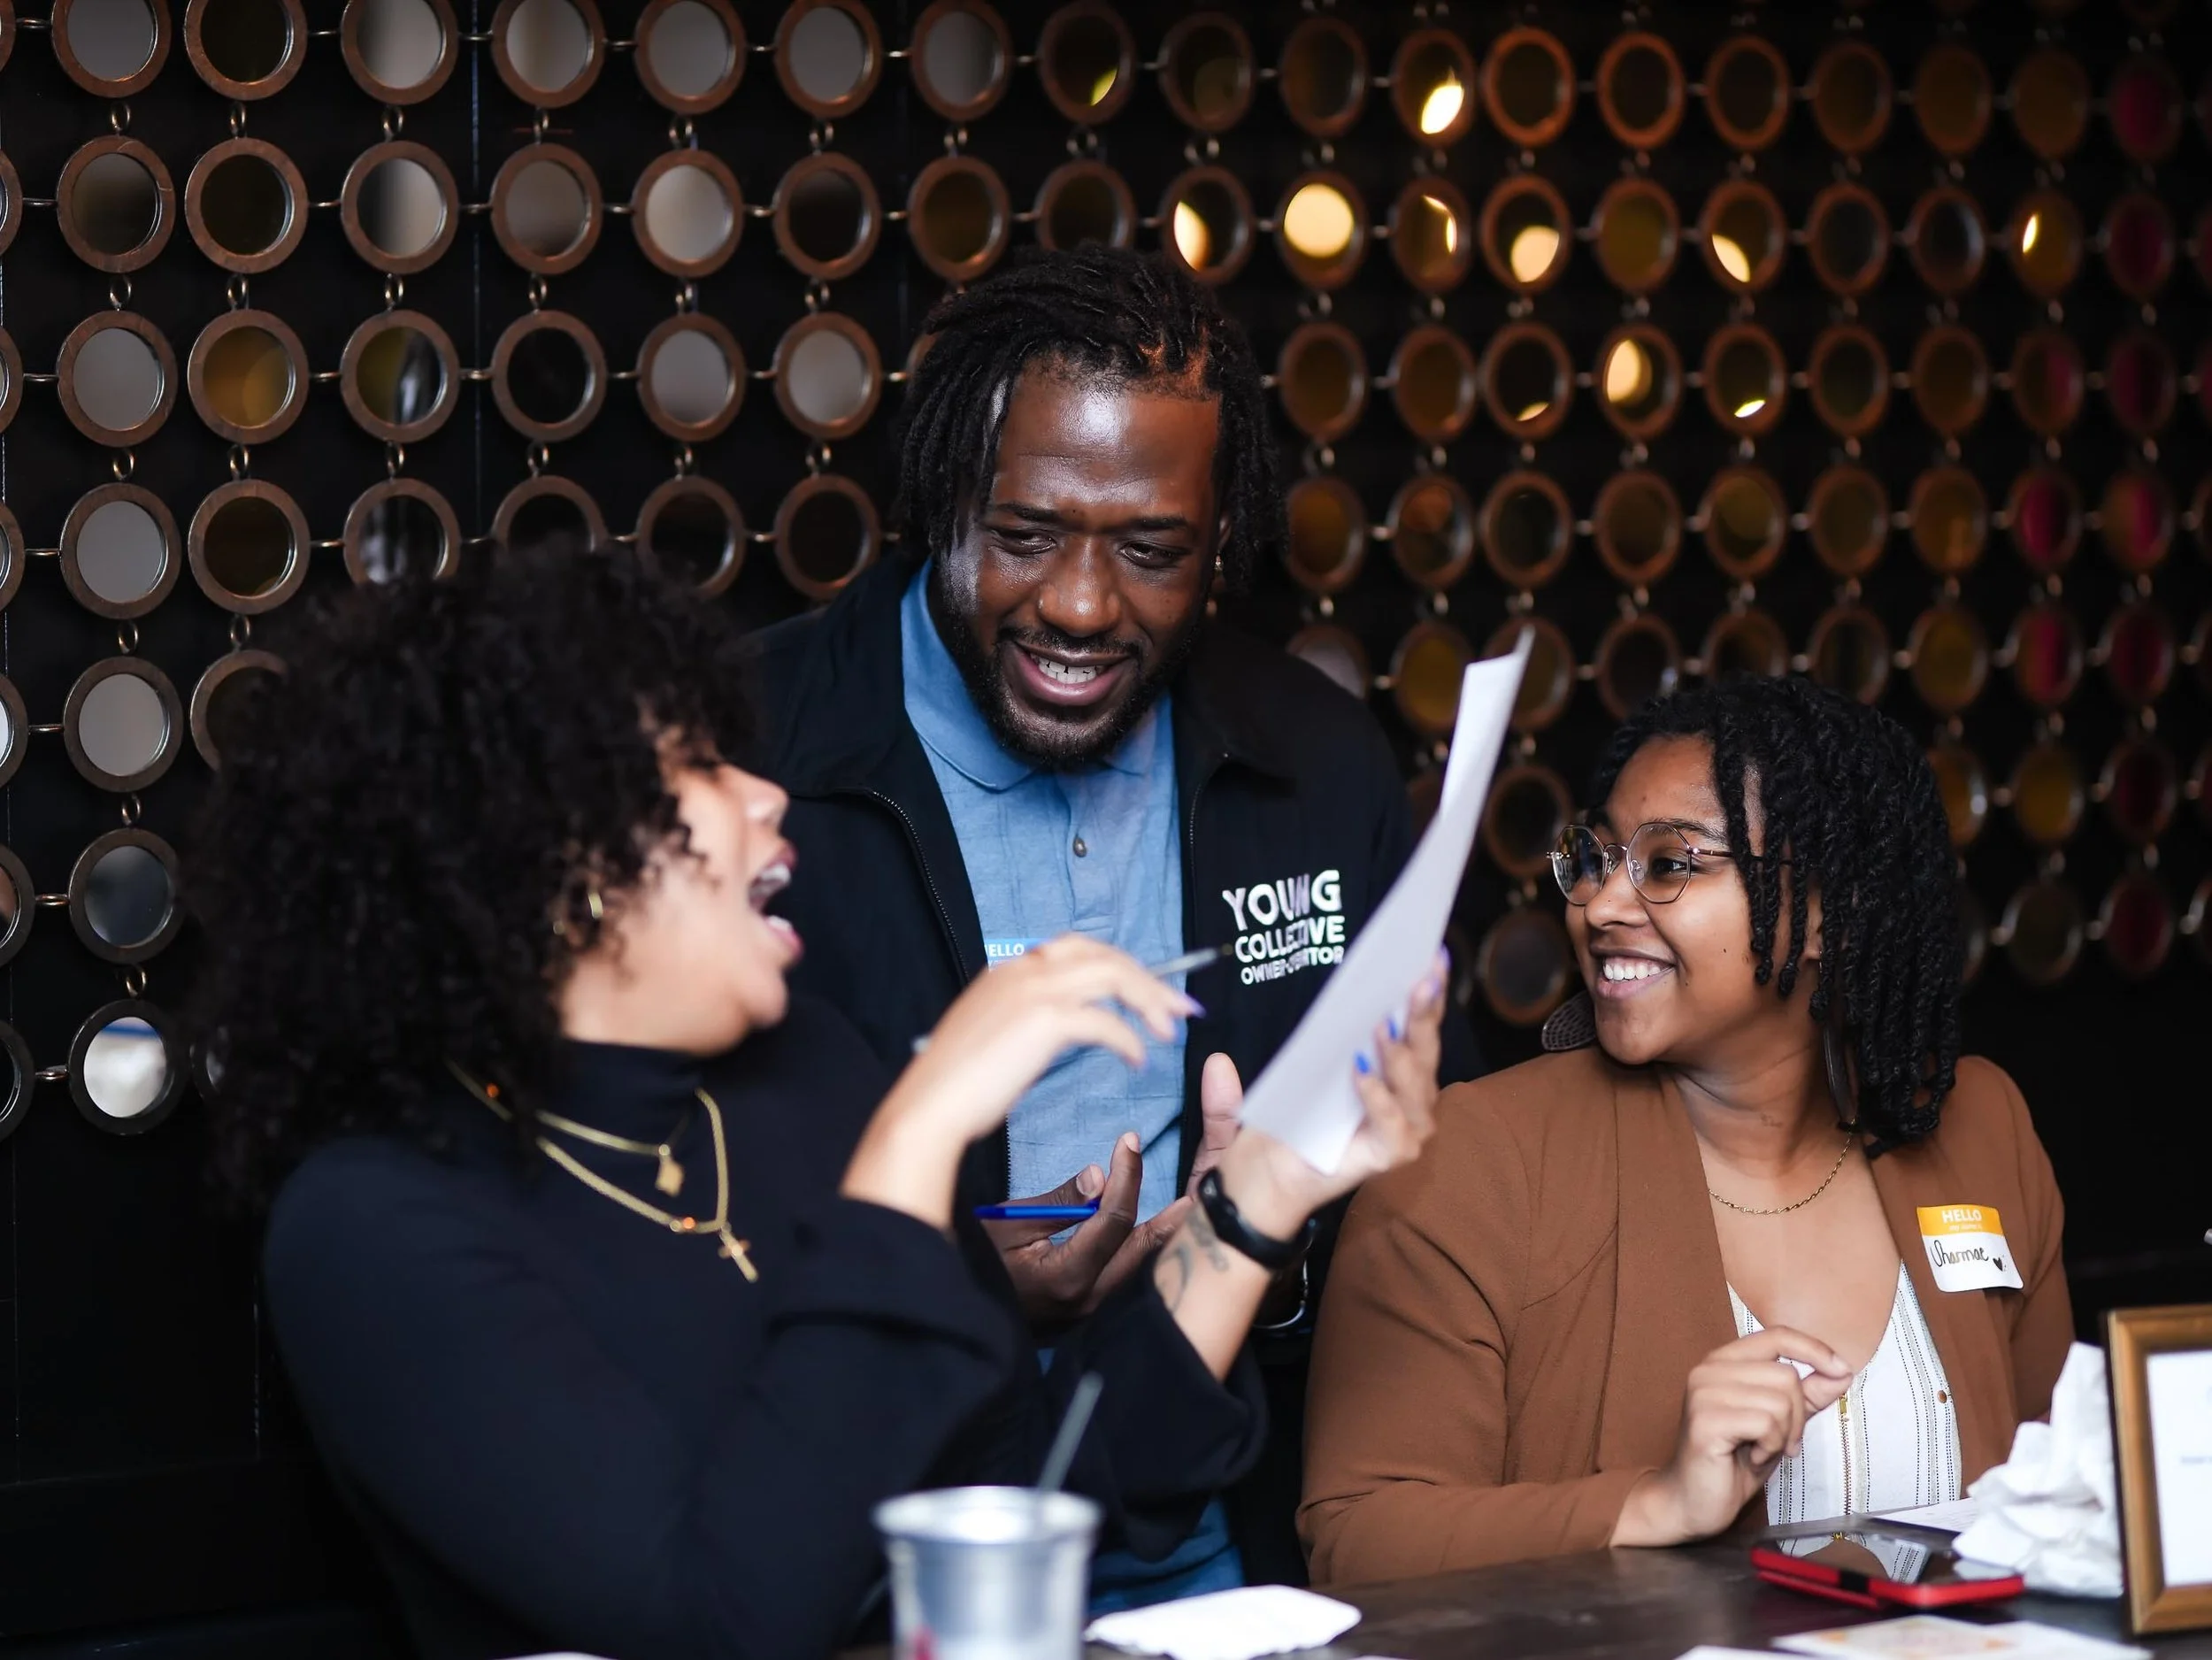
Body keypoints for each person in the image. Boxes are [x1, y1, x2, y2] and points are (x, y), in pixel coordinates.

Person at [190, 549, 1446, 1660]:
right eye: (693, 766)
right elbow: (726, 1618)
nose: (767, 797)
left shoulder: (804, 1074)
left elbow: (1017, 1482)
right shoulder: (372, 1228)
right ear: (548, 868)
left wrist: (1254, 1207)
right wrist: (919, 1126)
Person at [745, 245, 1481, 1599]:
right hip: (851, 1559)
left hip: (1210, 1536)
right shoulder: (750, 758)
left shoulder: (1316, 766)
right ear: (942, 501)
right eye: (1024, 537)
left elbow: (1403, 1205)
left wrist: (1263, 1237)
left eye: (1151, 553)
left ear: (1221, 540)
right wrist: (965, 1287)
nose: (1081, 607)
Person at [1300, 677, 2071, 1583]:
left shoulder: (1979, 1127)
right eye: (1593, 859)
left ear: (1833, 909)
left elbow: (2055, 1500)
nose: (1600, 906)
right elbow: (1358, 1540)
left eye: (1667, 864)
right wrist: (1654, 1502)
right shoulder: (1472, 1162)